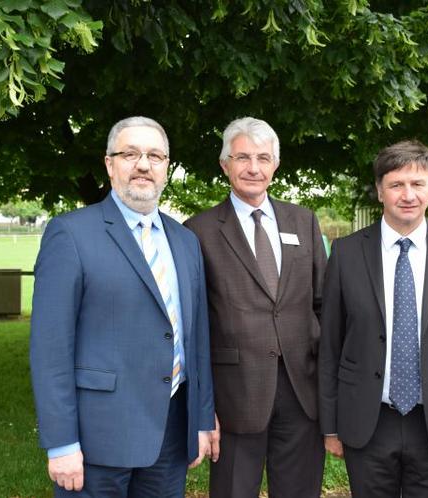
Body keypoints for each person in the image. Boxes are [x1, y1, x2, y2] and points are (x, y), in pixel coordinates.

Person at [29, 116, 215, 498]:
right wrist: (62, 443)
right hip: (98, 439)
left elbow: (197, 341)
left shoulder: (185, 241)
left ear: (166, 167)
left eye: (155, 155)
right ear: (109, 164)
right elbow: (50, 349)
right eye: (129, 153)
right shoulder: (71, 234)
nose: (143, 164)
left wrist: (200, 420)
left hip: (170, 436)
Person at [318, 140, 428, 497]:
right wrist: (331, 424)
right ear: (380, 191)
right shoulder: (347, 253)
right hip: (368, 421)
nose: (407, 194)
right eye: (396, 184)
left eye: (418, 183)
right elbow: (330, 345)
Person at [184, 117, 327, 498]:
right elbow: (193, 326)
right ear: (224, 164)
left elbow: (323, 306)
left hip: (302, 392)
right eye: (243, 157)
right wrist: (203, 407)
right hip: (235, 397)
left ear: (275, 165)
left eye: (263, 158)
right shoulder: (197, 231)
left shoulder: (304, 221)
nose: (253, 168)